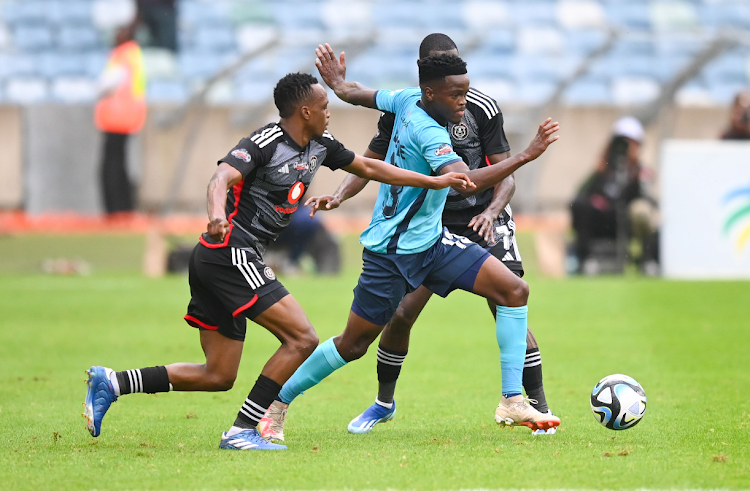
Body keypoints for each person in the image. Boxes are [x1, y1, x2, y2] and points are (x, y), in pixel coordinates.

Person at [83, 72, 474, 451]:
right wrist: (216, 214)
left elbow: (369, 167)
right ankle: (242, 430)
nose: (329, 112)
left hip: (224, 259)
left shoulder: (321, 145)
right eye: (324, 106)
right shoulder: (266, 140)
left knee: (218, 374)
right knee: (302, 338)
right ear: (305, 112)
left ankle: (112, 383)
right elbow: (220, 179)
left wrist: (435, 181)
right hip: (229, 250)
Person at [256, 44, 561, 443]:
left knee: (514, 290)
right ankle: (277, 402)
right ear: (431, 94)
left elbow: (355, 94)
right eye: (456, 95)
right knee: (353, 343)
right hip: (392, 253)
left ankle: (512, 399)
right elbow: (465, 180)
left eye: (466, 92)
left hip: (432, 243)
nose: (463, 102)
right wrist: (527, 154)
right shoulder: (427, 130)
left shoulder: (404, 97)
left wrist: (339, 84)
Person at [570, 116, 658, 275]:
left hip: (627, 220)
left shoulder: (641, 171)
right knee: (580, 205)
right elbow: (581, 193)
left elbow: (647, 198)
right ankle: (585, 259)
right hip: (603, 219)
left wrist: (635, 170)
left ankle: (647, 261)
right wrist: (599, 170)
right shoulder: (604, 167)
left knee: (642, 210)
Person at [95, 25, 147, 217]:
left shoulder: (122, 56)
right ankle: (124, 207)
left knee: (111, 166)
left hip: (115, 117)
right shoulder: (134, 55)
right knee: (121, 163)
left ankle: (115, 209)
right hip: (128, 117)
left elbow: (104, 84)